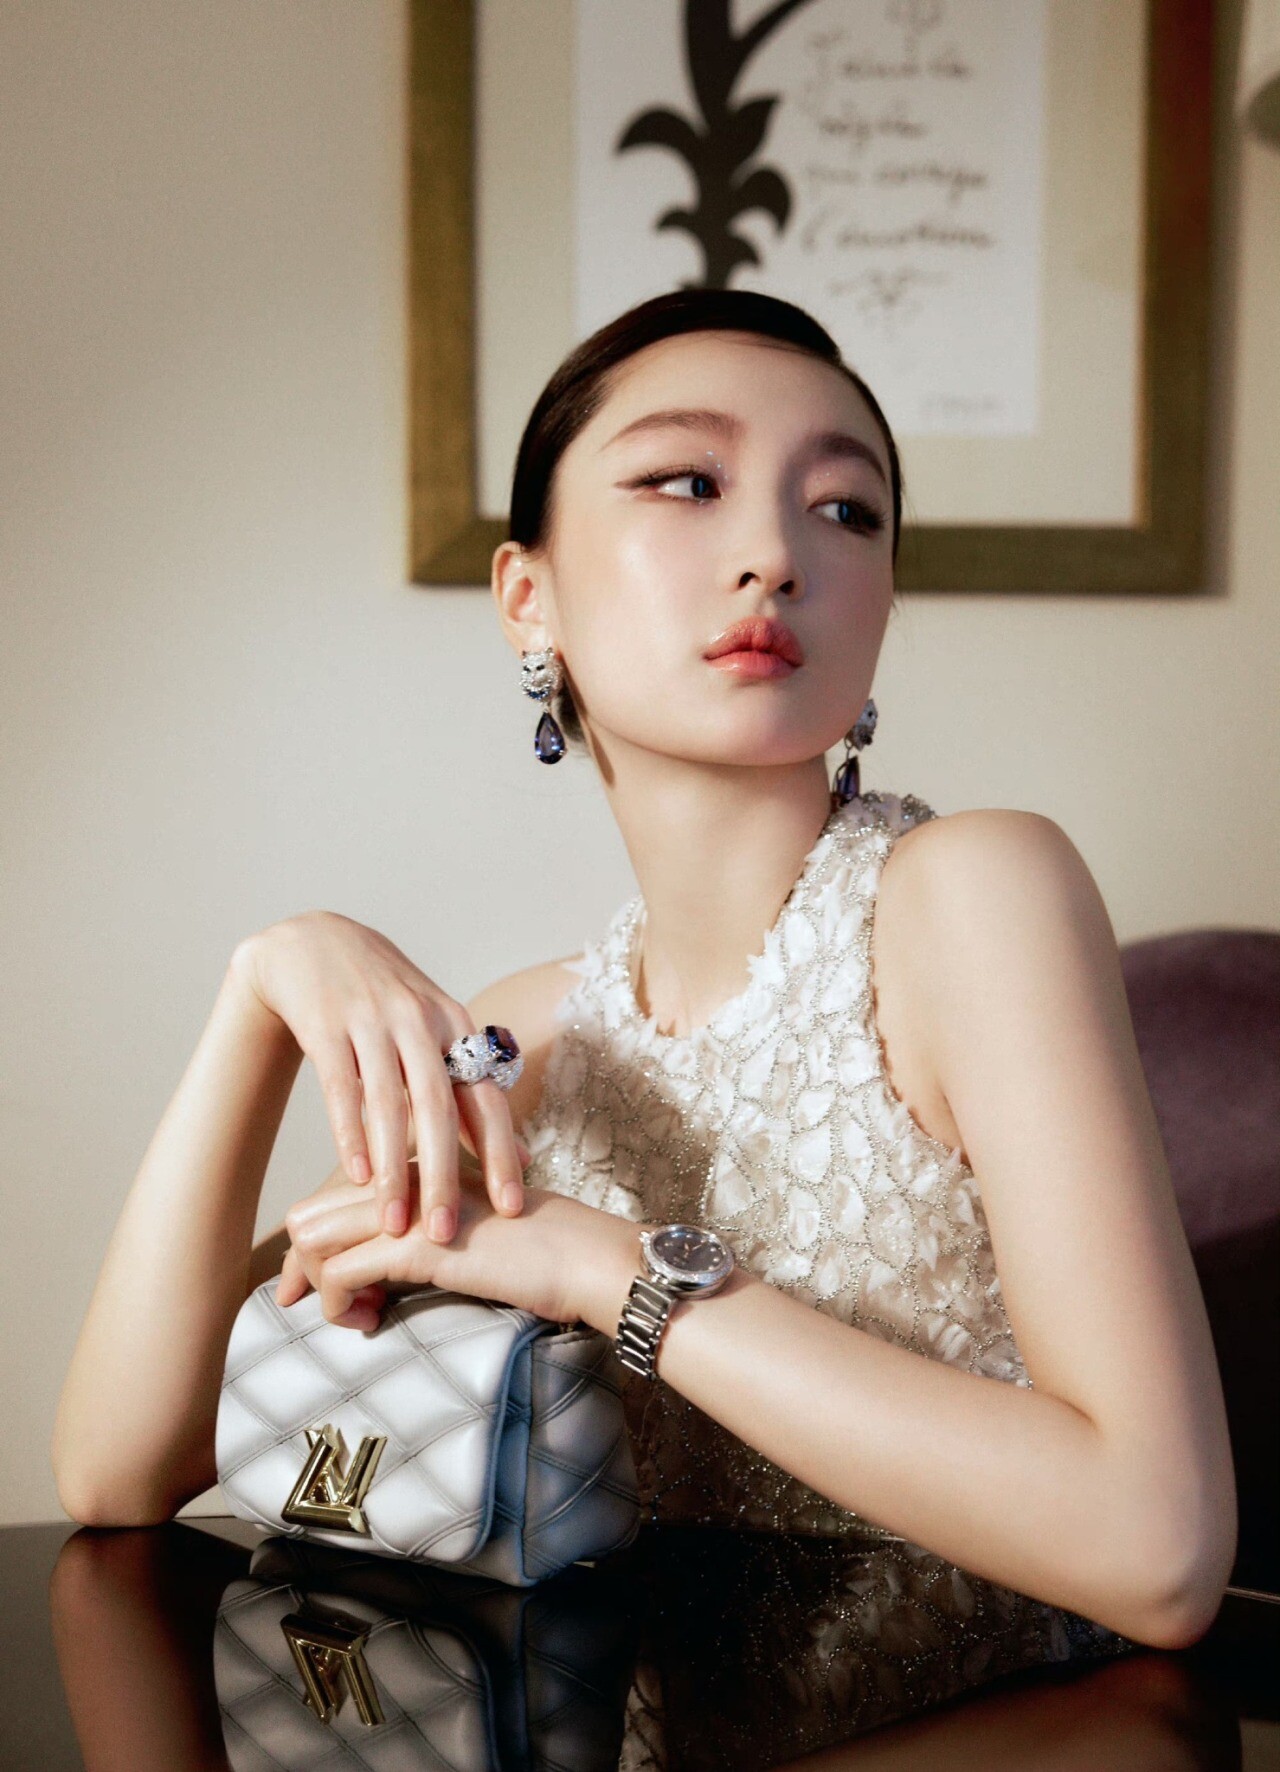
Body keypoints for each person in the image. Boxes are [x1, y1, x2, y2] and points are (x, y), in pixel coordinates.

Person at [51, 287, 1236, 1654]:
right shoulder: (528, 1040)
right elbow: (121, 1468)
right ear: (528, 597)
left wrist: (604, 1269)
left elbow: (1161, 1552)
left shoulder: (975, 895)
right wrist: (263, 994)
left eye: (845, 509)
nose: (775, 555)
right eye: (688, 481)